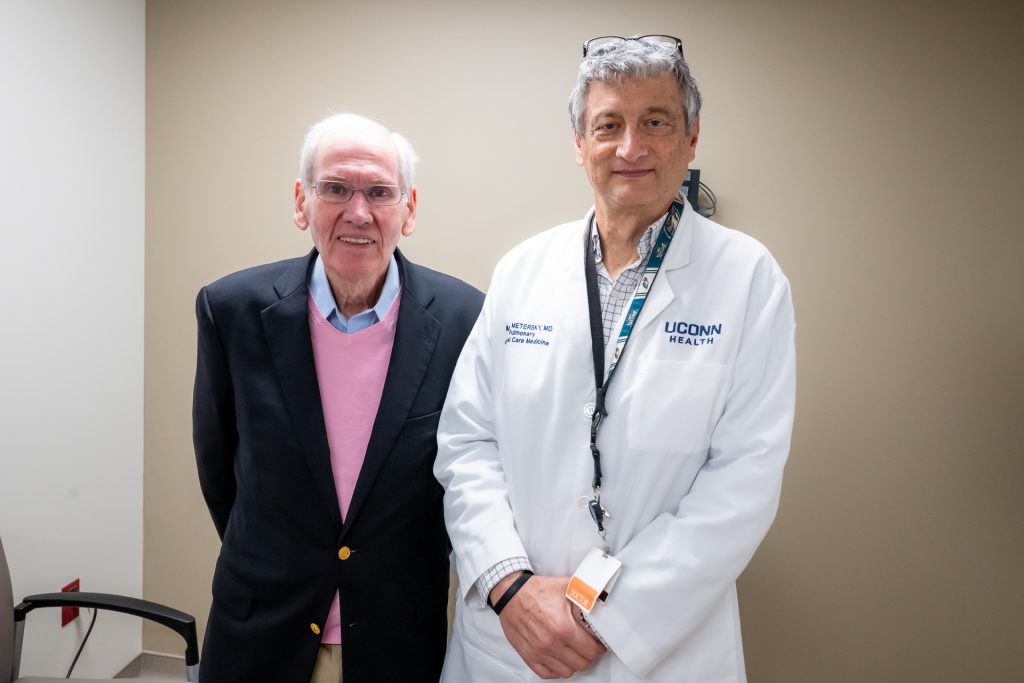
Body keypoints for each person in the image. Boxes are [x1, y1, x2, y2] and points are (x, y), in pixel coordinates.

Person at [434, 35, 796, 682]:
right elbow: (467, 443)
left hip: (656, 650)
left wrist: (605, 615)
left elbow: (743, 481)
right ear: (579, 143)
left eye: (656, 122)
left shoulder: (748, 279)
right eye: (608, 125)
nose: (631, 147)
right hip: (510, 641)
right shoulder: (522, 270)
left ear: (691, 137)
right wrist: (508, 585)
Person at [193, 112, 483, 682]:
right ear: (301, 202)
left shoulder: (464, 319)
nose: (358, 212)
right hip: (260, 632)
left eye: (379, 192)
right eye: (335, 189)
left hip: (396, 640)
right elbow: (219, 469)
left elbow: (466, 474)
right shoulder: (231, 310)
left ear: (409, 208)